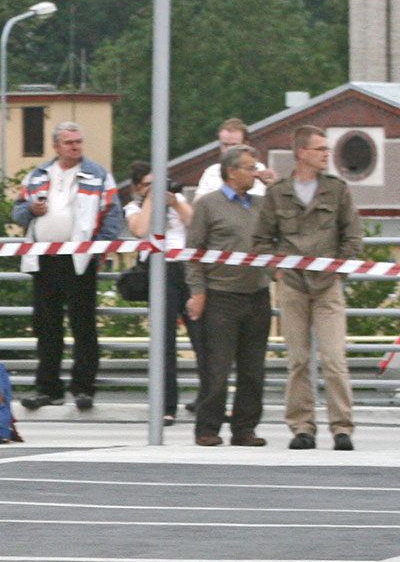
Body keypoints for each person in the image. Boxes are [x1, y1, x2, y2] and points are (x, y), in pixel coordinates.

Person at [254, 124, 363, 450]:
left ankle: (341, 428)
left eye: (327, 150)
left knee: (333, 358)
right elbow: (261, 240)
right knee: (298, 360)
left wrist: (340, 271)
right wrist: (278, 272)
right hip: (293, 285)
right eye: (320, 149)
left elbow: (352, 237)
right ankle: (302, 427)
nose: (326, 155)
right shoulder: (278, 192)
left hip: (328, 284)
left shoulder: (337, 190)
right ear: (302, 153)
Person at [12, 122, 124, 412]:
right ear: (56, 146)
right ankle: (48, 388)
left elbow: (113, 215)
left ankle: (83, 388)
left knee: (83, 326)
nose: (75, 146)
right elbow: (18, 212)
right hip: (44, 259)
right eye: (69, 142)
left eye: (79, 141)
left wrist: (98, 251)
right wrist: (30, 211)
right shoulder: (37, 175)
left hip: (80, 260)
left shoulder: (99, 175)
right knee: (46, 327)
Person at [186, 147, 272, 447]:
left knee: (253, 369)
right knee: (217, 367)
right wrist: (197, 291)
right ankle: (207, 427)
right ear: (231, 172)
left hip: (257, 294)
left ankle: (244, 428)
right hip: (221, 296)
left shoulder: (262, 204)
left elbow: (290, 214)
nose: (255, 173)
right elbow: (193, 252)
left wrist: (273, 185)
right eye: (249, 168)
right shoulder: (209, 205)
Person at [122, 163, 198, 426]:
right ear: (136, 188)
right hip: (158, 269)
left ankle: (207, 399)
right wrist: (151, 200)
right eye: (147, 185)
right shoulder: (135, 207)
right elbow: (140, 230)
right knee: (164, 341)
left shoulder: (178, 202)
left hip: (186, 268)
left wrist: (175, 202)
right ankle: (167, 405)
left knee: (202, 337)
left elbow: (196, 225)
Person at [193, 118, 275, 200]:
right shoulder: (212, 172)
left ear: (245, 144)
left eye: (233, 145)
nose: (228, 150)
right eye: (225, 145)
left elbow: (256, 202)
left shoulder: (257, 171)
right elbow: (198, 204)